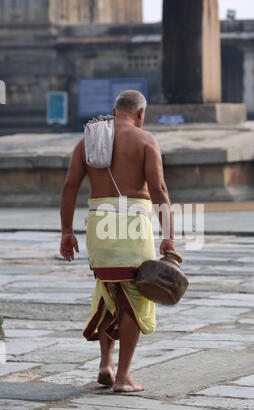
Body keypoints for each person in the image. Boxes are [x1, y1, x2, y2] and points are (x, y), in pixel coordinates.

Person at [60, 90, 175, 393]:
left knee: (108, 292)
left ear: (114, 111)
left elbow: (70, 186)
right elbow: (159, 189)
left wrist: (66, 231)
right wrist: (169, 237)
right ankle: (123, 376)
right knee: (135, 299)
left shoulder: (89, 141)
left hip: (99, 227)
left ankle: (106, 364)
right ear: (141, 114)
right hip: (132, 227)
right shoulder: (146, 140)